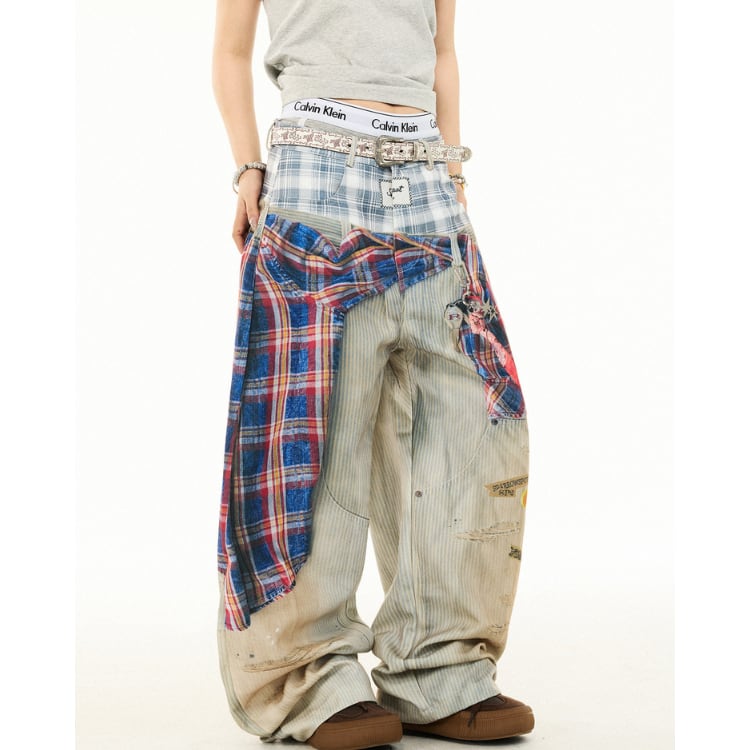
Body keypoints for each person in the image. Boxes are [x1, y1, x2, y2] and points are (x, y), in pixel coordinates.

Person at [211, 2, 534, 748]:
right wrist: (248, 166)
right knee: (314, 428)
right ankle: (306, 677)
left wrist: (453, 168)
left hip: (427, 174)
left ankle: (440, 668)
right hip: (312, 173)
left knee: (469, 423)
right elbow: (229, 52)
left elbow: (442, 49)